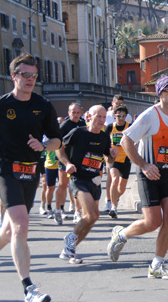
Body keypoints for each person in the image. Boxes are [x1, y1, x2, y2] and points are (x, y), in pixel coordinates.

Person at [0, 54, 62, 302]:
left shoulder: (43, 105)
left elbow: (56, 140)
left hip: (31, 171)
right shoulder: (0, 104)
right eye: (25, 75)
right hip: (6, 169)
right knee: (21, 224)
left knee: (9, 230)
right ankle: (29, 288)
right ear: (14, 76)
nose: (30, 80)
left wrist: (44, 146)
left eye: (34, 76)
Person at [107, 75, 168, 280]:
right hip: (148, 173)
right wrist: (144, 165)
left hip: (167, 171)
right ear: (159, 92)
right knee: (153, 221)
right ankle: (121, 234)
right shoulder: (150, 115)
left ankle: (157, 264)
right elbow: (126, 140)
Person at [56, 105, 118, 264]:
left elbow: (108, 159)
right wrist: (67, 163)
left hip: (94, 179)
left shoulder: (104, 137)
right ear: (89, 117)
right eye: (98, 117)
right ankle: (70, 239)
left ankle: (69, 250)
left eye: (104, 117)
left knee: (93, 217)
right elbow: (59, 149)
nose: (102, 120)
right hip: (78, 178)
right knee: (90, 214)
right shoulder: (78, 133)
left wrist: (112, 156)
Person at [55, 102, 86, 224]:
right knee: (63, 185)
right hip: (65, 159)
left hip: (78, 161)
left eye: (78, 112)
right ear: (69, 113)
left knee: (78, 187)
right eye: (73, 112)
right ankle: (58, 210)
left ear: (81, 113)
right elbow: (57, 144)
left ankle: (77, 212)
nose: (76, 115)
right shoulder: (64, 125)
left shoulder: (83, 124)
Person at [105, 104, 132, 219]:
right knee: (114, 179)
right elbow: (104, 142)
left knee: (121, 189)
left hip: (125, 159)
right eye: (118, 116)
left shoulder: (129, 126)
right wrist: (107, 155)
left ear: (126, 116)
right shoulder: (110, 127)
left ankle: (115, 198)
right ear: (114, 116)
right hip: (114, 158)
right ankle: (113, 207)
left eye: (123, 116)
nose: (121, 118)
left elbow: (134, 140)